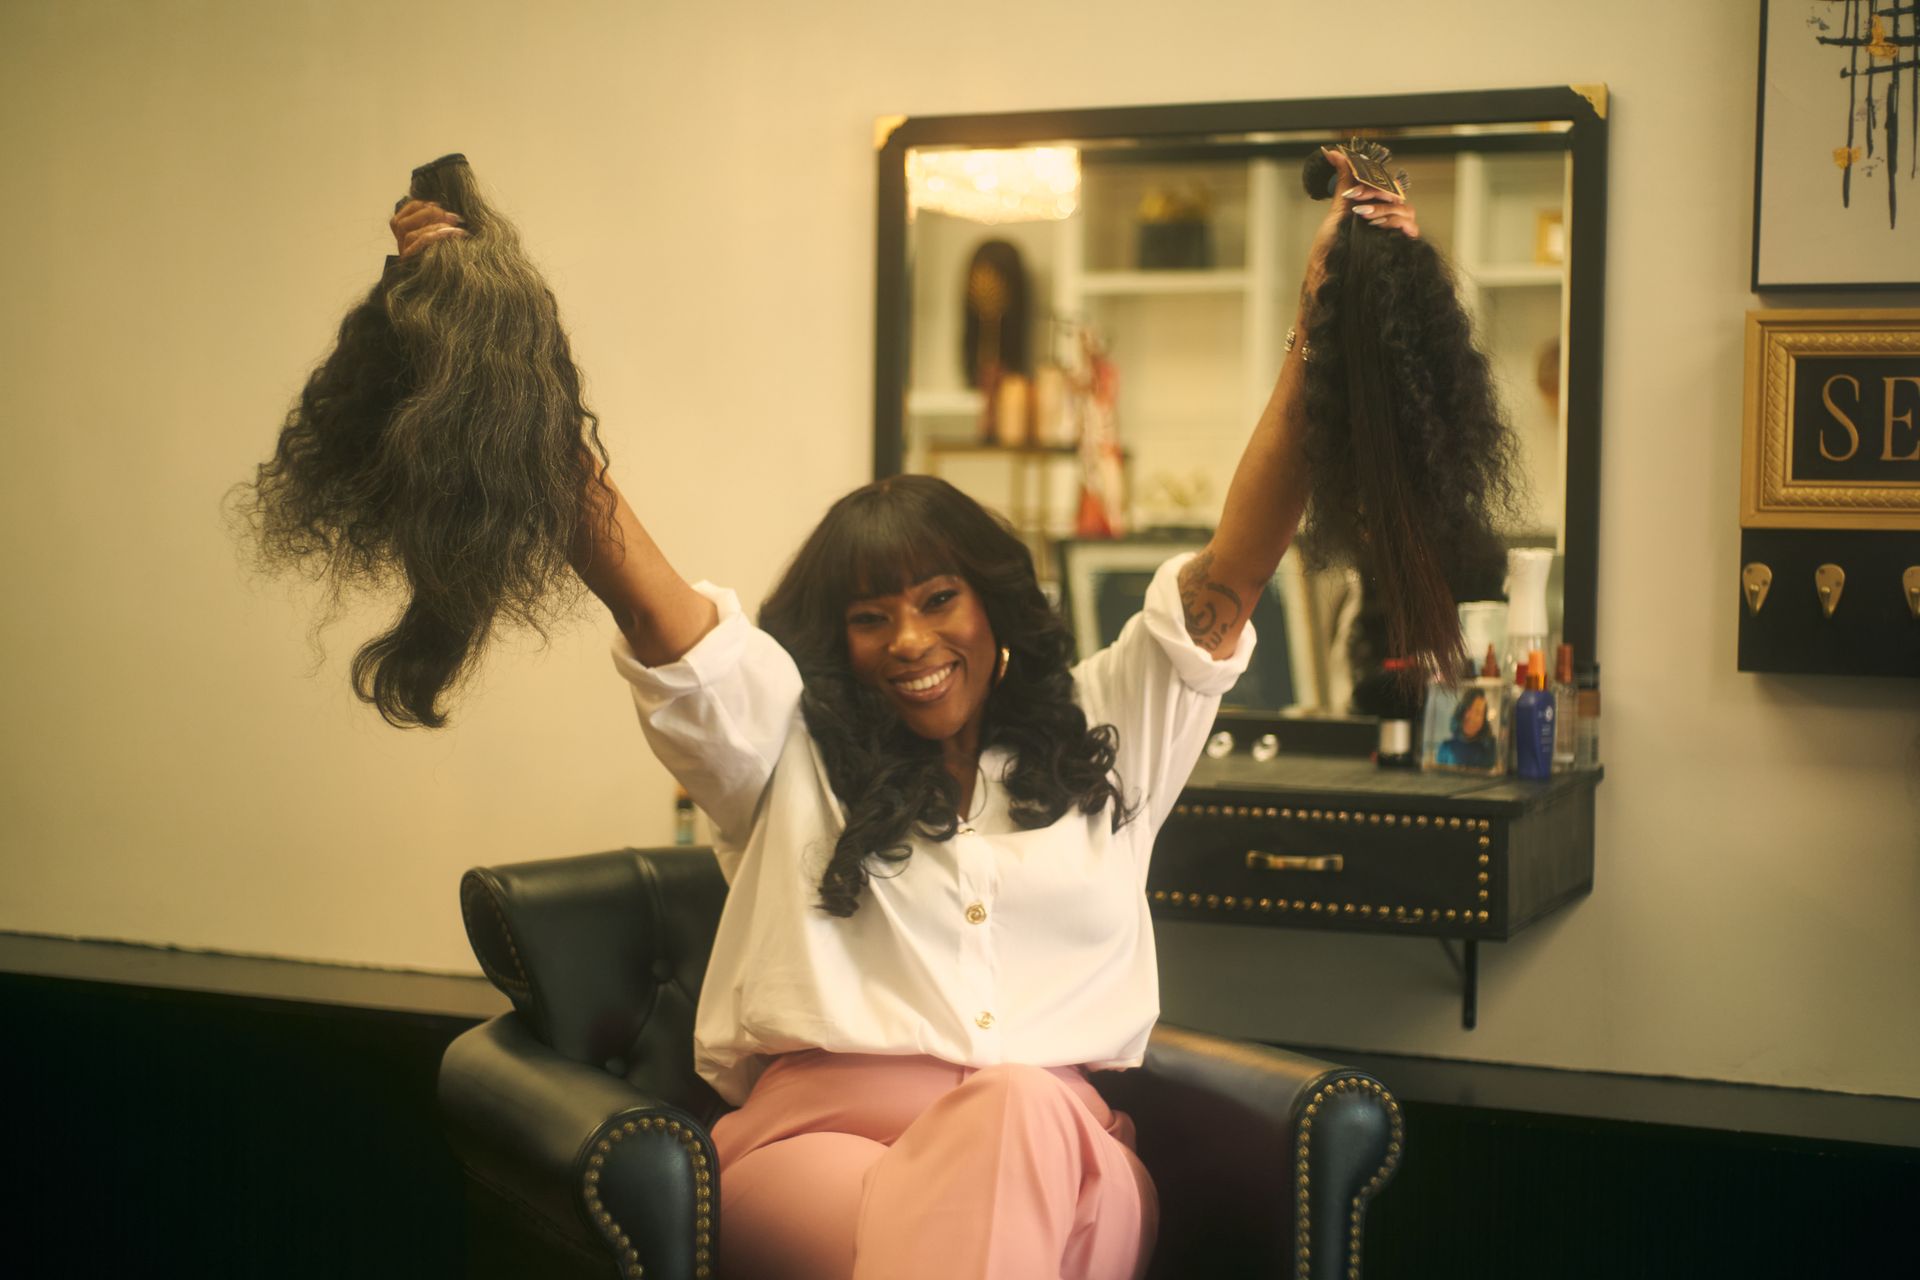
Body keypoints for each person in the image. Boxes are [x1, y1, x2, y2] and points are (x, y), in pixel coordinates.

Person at [395, 151, 1417, 1280]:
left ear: (994, 603)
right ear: (835, 642)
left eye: (939, 600)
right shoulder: (783, 747)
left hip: (1067, 1152)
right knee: (1010, 1155)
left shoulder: (1111, 724)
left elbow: (1244, 554)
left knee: (1023, 1113)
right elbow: (642, 586)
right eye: (871, 618)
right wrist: (491, 346)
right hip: (819, 1152)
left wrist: (1321, 327)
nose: (913, 641)